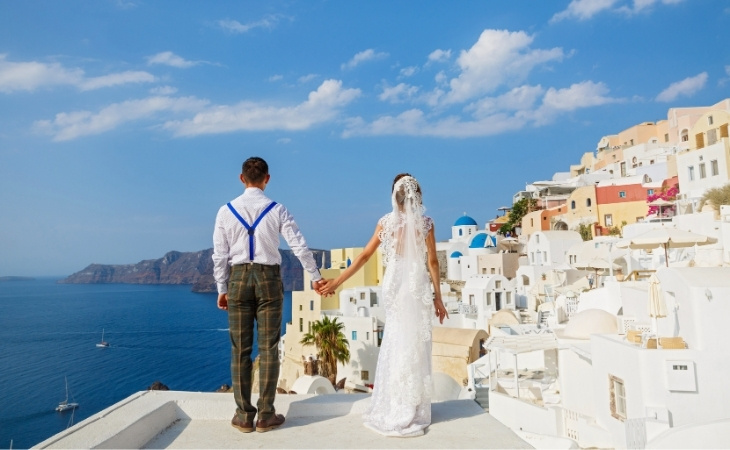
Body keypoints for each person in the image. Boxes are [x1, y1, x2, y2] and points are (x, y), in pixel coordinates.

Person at [318, 173, 448, 437]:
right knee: (414, 342)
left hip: (393, 283)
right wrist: (438, 297)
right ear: (417, 197)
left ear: (394, 197)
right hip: (416, 284)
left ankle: (394, 402)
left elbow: (364, 256)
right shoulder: (426, 223)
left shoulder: (385, 223)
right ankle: (413, 405)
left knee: (396, 338)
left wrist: (338, 282)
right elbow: (432, 262)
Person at [213, 156, 324, 433]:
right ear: (267, 179)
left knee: (240, 349)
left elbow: (220, 255)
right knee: (269, 348)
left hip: (238, 279)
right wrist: (316, 277)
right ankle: (265, 415)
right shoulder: (278, 209)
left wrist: (222, 288)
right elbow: (299, 245)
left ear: (241, 178)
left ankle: (243, 416)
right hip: (269, 280)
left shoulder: (225, 211)